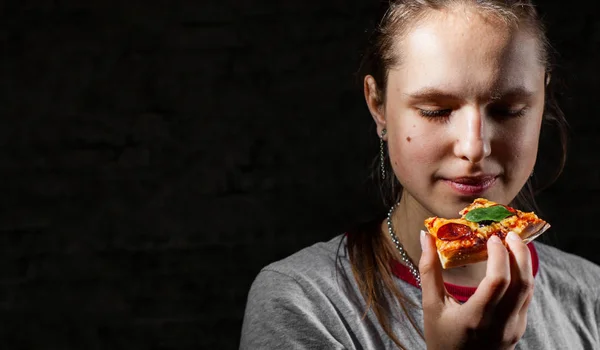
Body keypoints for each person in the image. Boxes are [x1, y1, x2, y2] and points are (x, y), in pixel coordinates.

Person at [240, 1, 600, 349]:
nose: (474, 147)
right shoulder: (302, 303)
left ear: (542, 99)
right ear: (378, 104)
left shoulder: (591, 294)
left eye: (508, 110)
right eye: (435, 111)